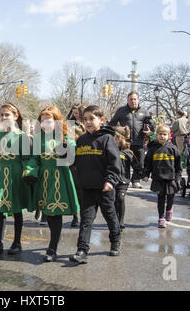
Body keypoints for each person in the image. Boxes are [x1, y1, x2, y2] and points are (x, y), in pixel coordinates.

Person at [0, 103, 35, 257]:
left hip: (15, 178)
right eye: (2, 115)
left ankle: (17, 243)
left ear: (15, 116)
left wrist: (27, 174)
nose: (4, 118)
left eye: (7, 115)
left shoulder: (23, 137)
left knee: (17, 211)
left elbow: (26, 159)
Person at [69, 105, 122, 264]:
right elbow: (75, 163)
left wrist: (110, 181)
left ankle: (115, 241)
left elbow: (115, 163)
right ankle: (82, 250)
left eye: (91, 118)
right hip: (87, 188)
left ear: (101, 120)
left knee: (110, 217)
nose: (88, 122)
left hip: (104, 188)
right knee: (86, 220)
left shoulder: (107, 139)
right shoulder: (82, 140)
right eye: (85, 119)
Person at [28, 106, 80, 262]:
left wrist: (65, 147)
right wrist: (30, 171)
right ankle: (55, 241)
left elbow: (70, 159)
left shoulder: (66, 137)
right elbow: (34, 159)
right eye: (42, 121)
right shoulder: (38, 138)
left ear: (57, 121)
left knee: (55, 212)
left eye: (48, 121)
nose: (45, 124)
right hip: (44, 178)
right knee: (48, 214)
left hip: (60, 177)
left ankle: (52, 247)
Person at [109, 92, 154, 189]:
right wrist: (119, 131)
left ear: (138, 100)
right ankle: (125, 180)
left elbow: (152, 127)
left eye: (135, 99)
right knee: (125, 163)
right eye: (131, 99)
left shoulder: (144, 111)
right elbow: (112, 124)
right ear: (127, 100)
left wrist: (149, 131)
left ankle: (136, 181)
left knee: (140, 162)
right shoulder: (121, 111)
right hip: (125, 142)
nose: (133, 101)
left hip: (139, 142)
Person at [142, 125, 182, 228]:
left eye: (165, 134)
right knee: (160, 197)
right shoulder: (152, 149)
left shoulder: (173, 148)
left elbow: (178, 164)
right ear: (156, 135)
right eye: (160, 134)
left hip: (171, 178)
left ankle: (169, 209)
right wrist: (146, 174)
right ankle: (161, 217)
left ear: (169, 136)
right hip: (158, 177)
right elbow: (148, 163)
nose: (162, 136)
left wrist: (178, 176)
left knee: (171, 196)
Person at [113, 126, 140, 230]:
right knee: (114, 200)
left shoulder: (128, 152)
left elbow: (136, 166)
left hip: (123, 180)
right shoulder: (110, 150)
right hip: (112, 179)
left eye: (114, 137)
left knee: (120, 198)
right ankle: (114, 219)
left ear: (119, 138)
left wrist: (141, 174)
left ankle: (121, 221)